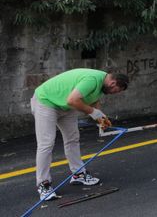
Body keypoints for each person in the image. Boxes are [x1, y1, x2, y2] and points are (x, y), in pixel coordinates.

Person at [30, 68, 129, 200]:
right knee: (46, 143)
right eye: (115, 91)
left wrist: (100, 118)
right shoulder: (92, 80)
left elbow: (93, 100)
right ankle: (43, 184)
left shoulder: (101, 85)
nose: (113, 93)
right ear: (113, 83)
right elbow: (72, 100)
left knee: (72, 139)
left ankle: (78, 174)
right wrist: (93, 113)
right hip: (46, 102)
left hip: (65, 106)